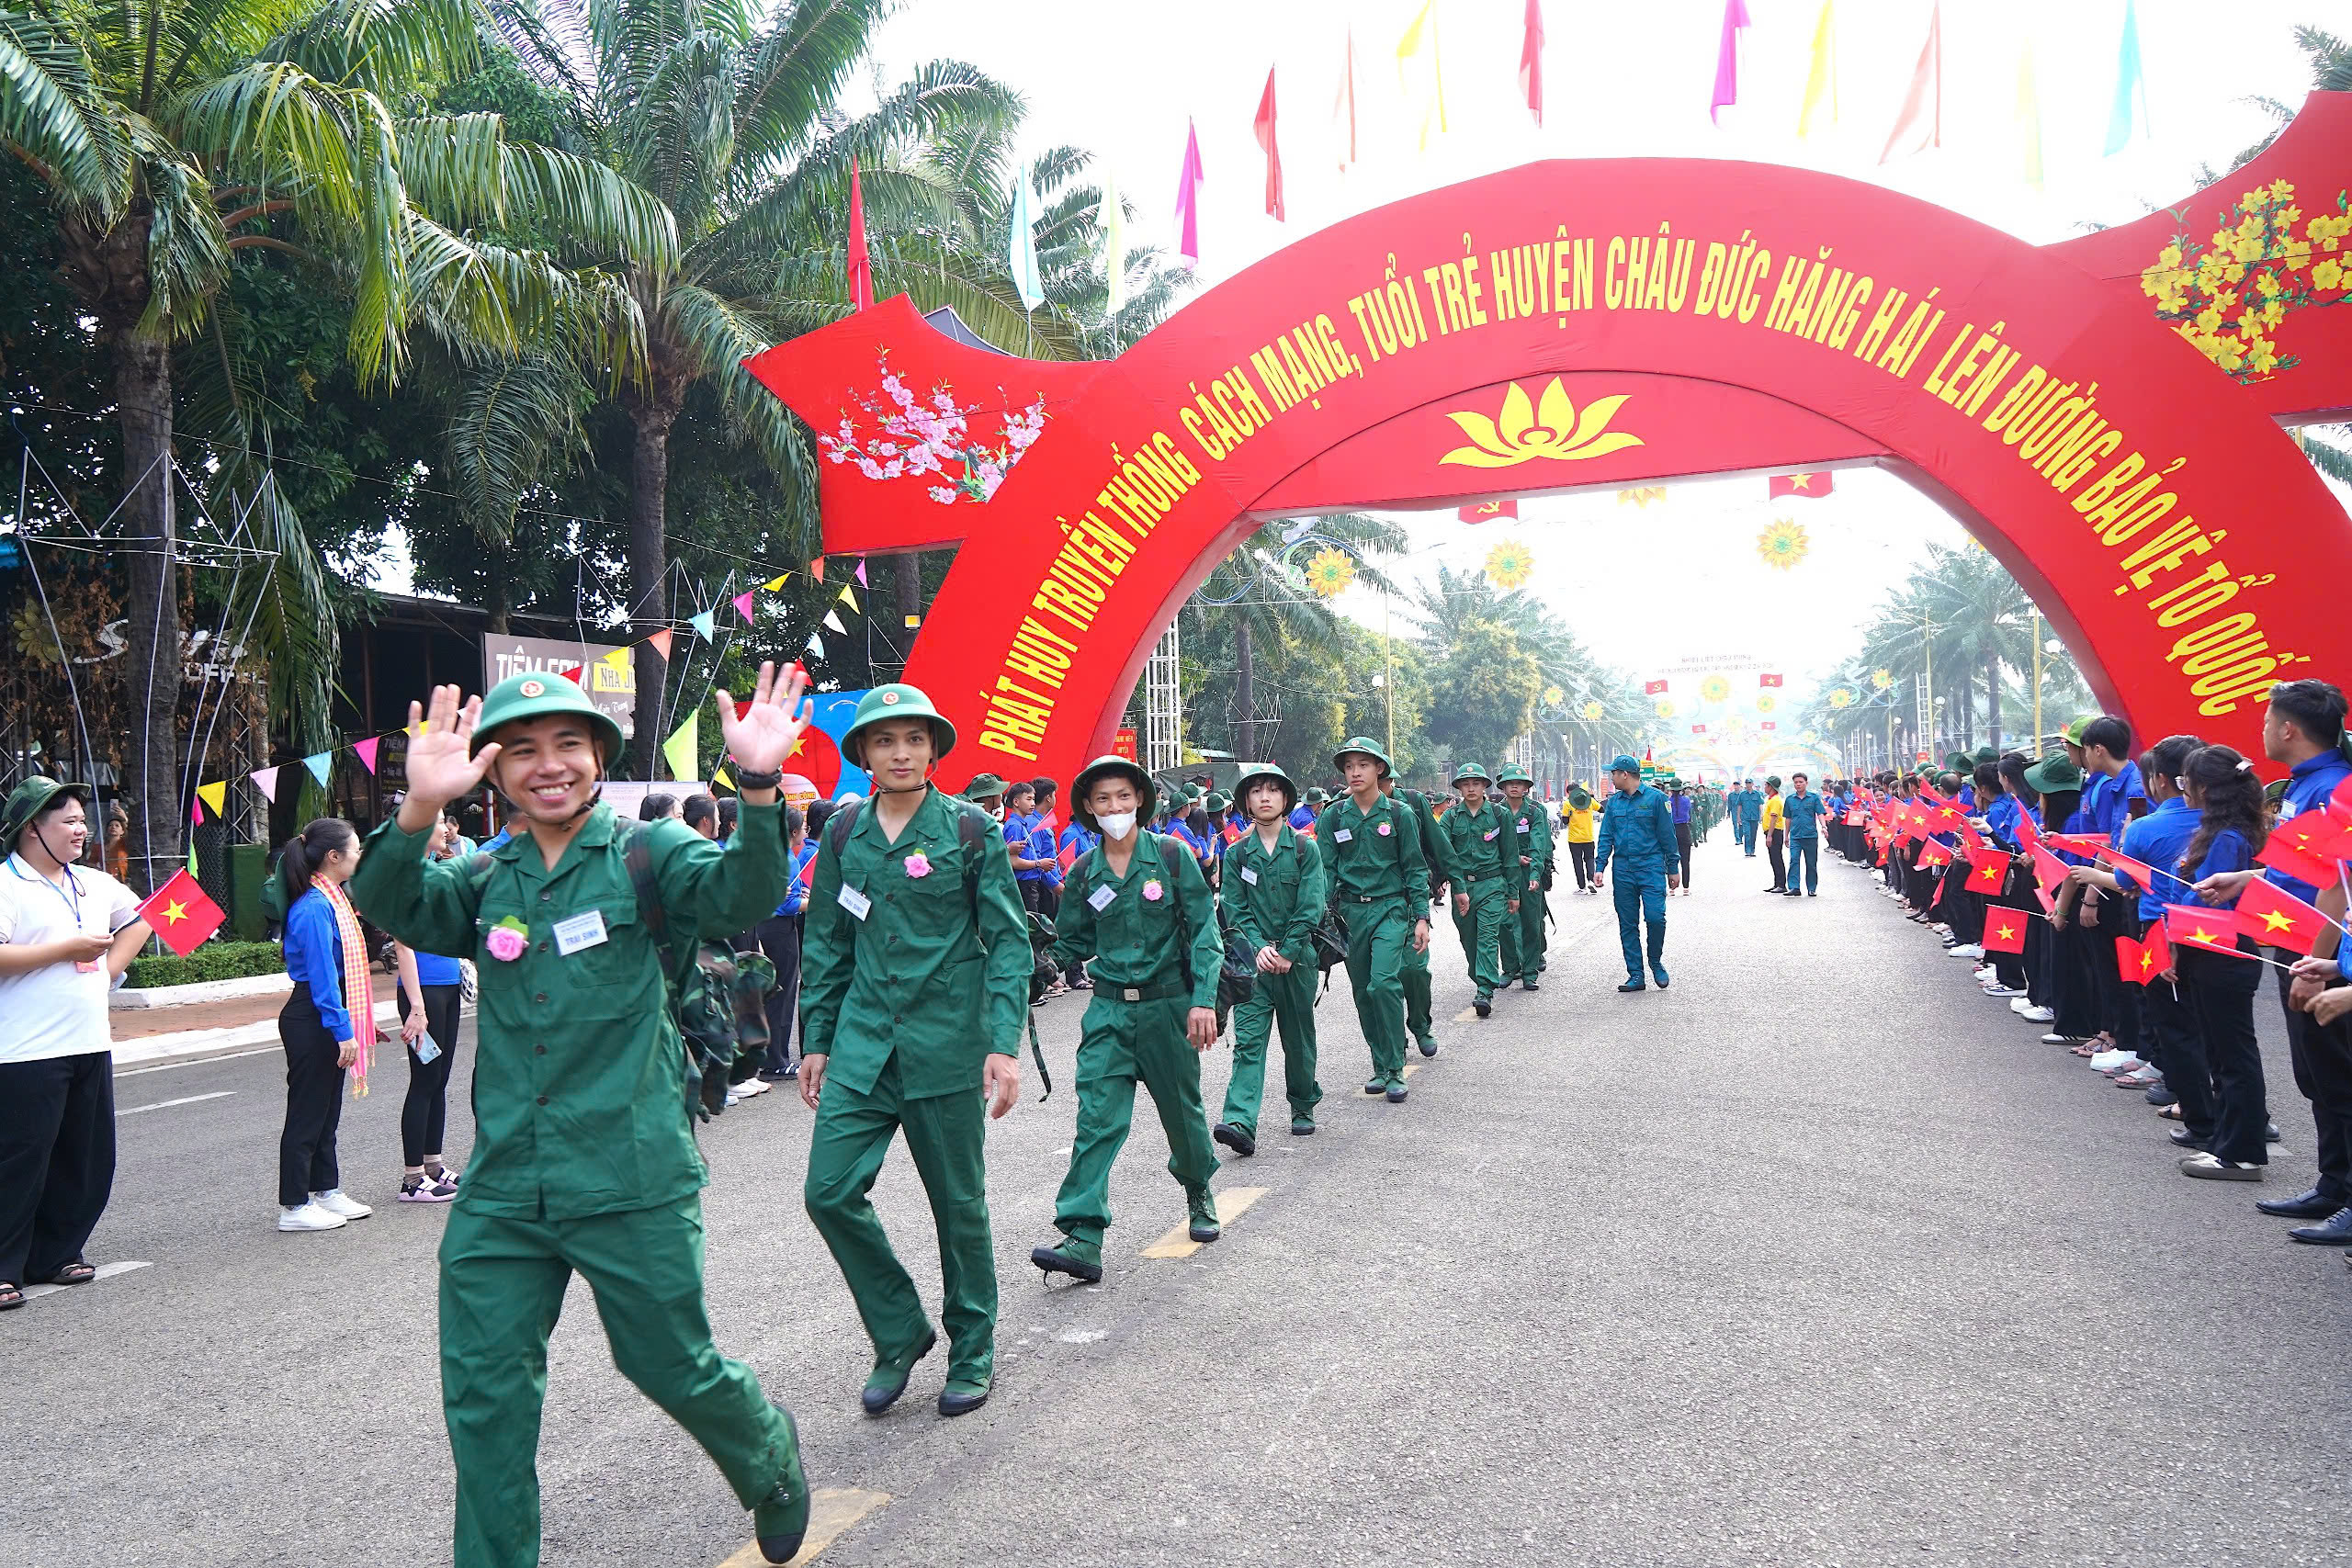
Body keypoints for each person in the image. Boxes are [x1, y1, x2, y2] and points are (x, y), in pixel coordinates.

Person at [349, 667, 817, 1567]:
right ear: (495, 773)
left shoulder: (651, 853)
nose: (547, 766)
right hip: (505, 1193)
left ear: (599, 757)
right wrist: (415, 808)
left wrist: (757, 786)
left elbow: (743, 894)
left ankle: (766, 1453)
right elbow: (391, 901)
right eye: (521, 750)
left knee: (667, 1364)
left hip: (630, 1174)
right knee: (485, 1402)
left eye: (568, 744)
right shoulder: (486, 877)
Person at [797, 686, 1027, 1417]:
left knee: (957, 1205)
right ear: (862, 752)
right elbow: (829, 941)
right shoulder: (841, 834)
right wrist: (817, 1038)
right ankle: (899, 1330)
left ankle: (973, 1346)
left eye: (915, 739)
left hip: (945, 1044)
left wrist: (1003, 1043)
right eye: (886, 740)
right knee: (828, 1191)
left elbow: (1010, 939)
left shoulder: (968, 829)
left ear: (934, 748)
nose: (902, 752)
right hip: (865, 1044)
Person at [1035, 755, 1223, 1283]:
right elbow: (1072, 941)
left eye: (1123, 796)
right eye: (1102, 799)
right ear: (1089, 810)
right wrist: (1035, 959)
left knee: (1183, 1116)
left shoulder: (1171, 856)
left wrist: (1203, 1001)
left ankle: (1197, 1188)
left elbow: (1205, 931)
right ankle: (1084, 1235)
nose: (1114, 807)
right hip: (1109, 1011)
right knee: (1097, 1120)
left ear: (1140, 799)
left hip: (1170, 1009)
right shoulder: (1081, 873)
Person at [2196, 680, 2352, 1245]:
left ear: (2289, 728)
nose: (2261, 730)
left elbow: (2338, 881)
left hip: (2324, 947)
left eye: (2266, 719)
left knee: (2337, 1071)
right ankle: (2334, 1185)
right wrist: (2249, 877)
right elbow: (2302, 869)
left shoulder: (2335, 789)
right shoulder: (2304, 787)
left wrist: (2320, 961)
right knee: (2317, 1073)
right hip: (2304, 943)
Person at [0, 777, 149, 1312]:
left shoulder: (92, 882)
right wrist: (67, 950)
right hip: (24, 1050)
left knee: (84, 1156)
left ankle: (56, 1253)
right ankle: (3, 1266)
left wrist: (107, 970)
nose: (82, 830)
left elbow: (139, 920)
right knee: (20, 1161)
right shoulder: (7, 885)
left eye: (83, 820)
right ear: (32, 828)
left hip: (88, 1041)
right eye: (69, 821)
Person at [1216, 764, 1324, 1151]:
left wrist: (1289, 951)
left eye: (1272, 791)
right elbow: (1234, 908)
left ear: (1285, 800)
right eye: (1256, 791)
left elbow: (1311, 906)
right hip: (1253, 963)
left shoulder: (1303, 849)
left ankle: (1302, 1104)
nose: (1264, 797)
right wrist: (1259, 947)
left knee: (1297, 1037)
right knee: (1249, 1041)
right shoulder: (1236, 853)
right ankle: (1240, 1121)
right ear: (1246, 801)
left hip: (1297, 961)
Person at [275, 818, 376, 1234]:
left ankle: (326, 1189)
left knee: (327, 1110)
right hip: (312, 1016)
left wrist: (351, 1024)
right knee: (308, 1111)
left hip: (326, 1013)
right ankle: (294, 1205)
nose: (360, 855)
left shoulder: (331, 899)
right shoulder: (315, 907)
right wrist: (343, 1030)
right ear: (333, 857)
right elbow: (321, 978)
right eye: (355, 849)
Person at [1318, 739, 1431, 1102]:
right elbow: (1324, 869)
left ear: (1379, 769)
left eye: (1362, 765)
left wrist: (1421, 917)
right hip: (1350, 914)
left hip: (1390, 910)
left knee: (1383, 984)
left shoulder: (1399, 814)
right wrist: (1319, 916)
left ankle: (1396, 1067)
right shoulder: (1333, 816)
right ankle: (1380, 1065)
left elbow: (1415, 868)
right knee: (1363, 992)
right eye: (1349, 766)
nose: (1354, 772)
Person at [391, 810, 469, 1201]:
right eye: (439, 821)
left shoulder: (436, 870)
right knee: (423, 1082)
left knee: (439, 1081)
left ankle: (433, 1165)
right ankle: (411, 1178)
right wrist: (417, 1007)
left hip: (447, 987)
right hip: (423, 993)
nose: (447, 828)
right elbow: (403, 945)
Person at [1591, 754, 1679, 992]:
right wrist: (1600, 867)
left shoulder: (1657, 800)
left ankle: (1655, 961)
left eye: (1614, 774)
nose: (1612, 779)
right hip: (1623, 870)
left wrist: (1673, 868)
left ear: (1625, 775)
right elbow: (1606, 835)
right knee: (1627, 923)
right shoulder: (1614, 803)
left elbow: (1667, 836)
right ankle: (1636, 974)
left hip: (1650, 867)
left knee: (1655, 917)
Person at [1436, 762, 1512, 1017]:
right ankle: (1479, 975)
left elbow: (1510, 856)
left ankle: (1484, 990)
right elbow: (1443, 852)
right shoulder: (1450, 817)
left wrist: (1513, 893)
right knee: (1469, 939)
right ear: (1458, 787)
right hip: (1463, 886)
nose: (1470, 788)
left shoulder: (1500, 815)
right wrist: (1451, 883)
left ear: (1484, 787)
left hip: (1492, 884)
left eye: (1476, 783)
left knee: (1488, 937)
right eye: (1465, 784)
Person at [1383, 772, 1451, 1057]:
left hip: (1409, 898)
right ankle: (1394, 1044)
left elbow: (1437, 844)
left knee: (1415, 970)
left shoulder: (1409, 804)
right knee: (1381, 981)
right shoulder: (1341, 810)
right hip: (1367, 908)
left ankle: (1421, 1024)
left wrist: (1453, 881)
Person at [751, 805, 811, 1083]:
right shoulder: (786, 859)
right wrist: (817, 902)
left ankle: (770, 1057)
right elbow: (788, 904)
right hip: (779, 929)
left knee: (771, 994)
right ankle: (777, 1060)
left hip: (762, 924)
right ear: (795, 831)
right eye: (803, 827)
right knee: (782, 995)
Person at [1498, 764, 1552, 989]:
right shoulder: (1494, 812)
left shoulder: (1534, 813)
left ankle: (1530, 971)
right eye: (1510, 783)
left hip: (1529, 871)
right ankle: (1511, 967)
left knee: (1531, 921)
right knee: (1505, 922)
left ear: (1526, 788)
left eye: (1519, 783)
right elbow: (1490, 843)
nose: (1514, 787)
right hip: (1502, 873)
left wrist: (1536, 873)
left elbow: (1538, 844)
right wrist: (1514, 857)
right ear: (1503, 787)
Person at [1781, 772, 1826, 897]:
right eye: (1796, 782)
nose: (1798, 784)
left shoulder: (1814, 798)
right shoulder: (1790, 800)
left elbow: (1820, 813)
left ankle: (1812, 888)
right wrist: (1786, 836)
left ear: (1806, 783)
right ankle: (1794, 887)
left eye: (1801, 782)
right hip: (1795, 836)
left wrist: (1824, 826)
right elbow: (1788, 819)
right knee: (1794, 861)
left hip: (1810, 835)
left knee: (1811, 863)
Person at [1563, 784, 1599, 894]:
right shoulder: (1590, 801)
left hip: (1574, 839)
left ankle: (1582, 887)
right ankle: (1591, 881)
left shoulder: (1568, 803)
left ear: (1569, 792)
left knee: (1577, 862)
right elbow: (1601, 809)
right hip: (1588, 837)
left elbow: (1565, 821)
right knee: (1590, 859)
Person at [1759, 776, 1787, 894]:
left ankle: (1781, 884)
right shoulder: (1771, 799)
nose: (1764, 787)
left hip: (1775, 832)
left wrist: (1769, 835)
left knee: (1777, 858)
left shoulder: (1775, 800)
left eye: (1766, 785)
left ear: (1771, 787)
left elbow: (1774, 818)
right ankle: (1777, 883)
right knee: (1773, 859)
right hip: (1772, 832)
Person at [1668, 781, 1694, 893]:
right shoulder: (1687, 800)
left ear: (1671, 790)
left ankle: (1672, 888)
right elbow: (1689, 814)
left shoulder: (1668, 802)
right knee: (1685, 860)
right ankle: (1686, 887)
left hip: (1672, 830)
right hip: (1684, 830)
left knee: (1671, 859)